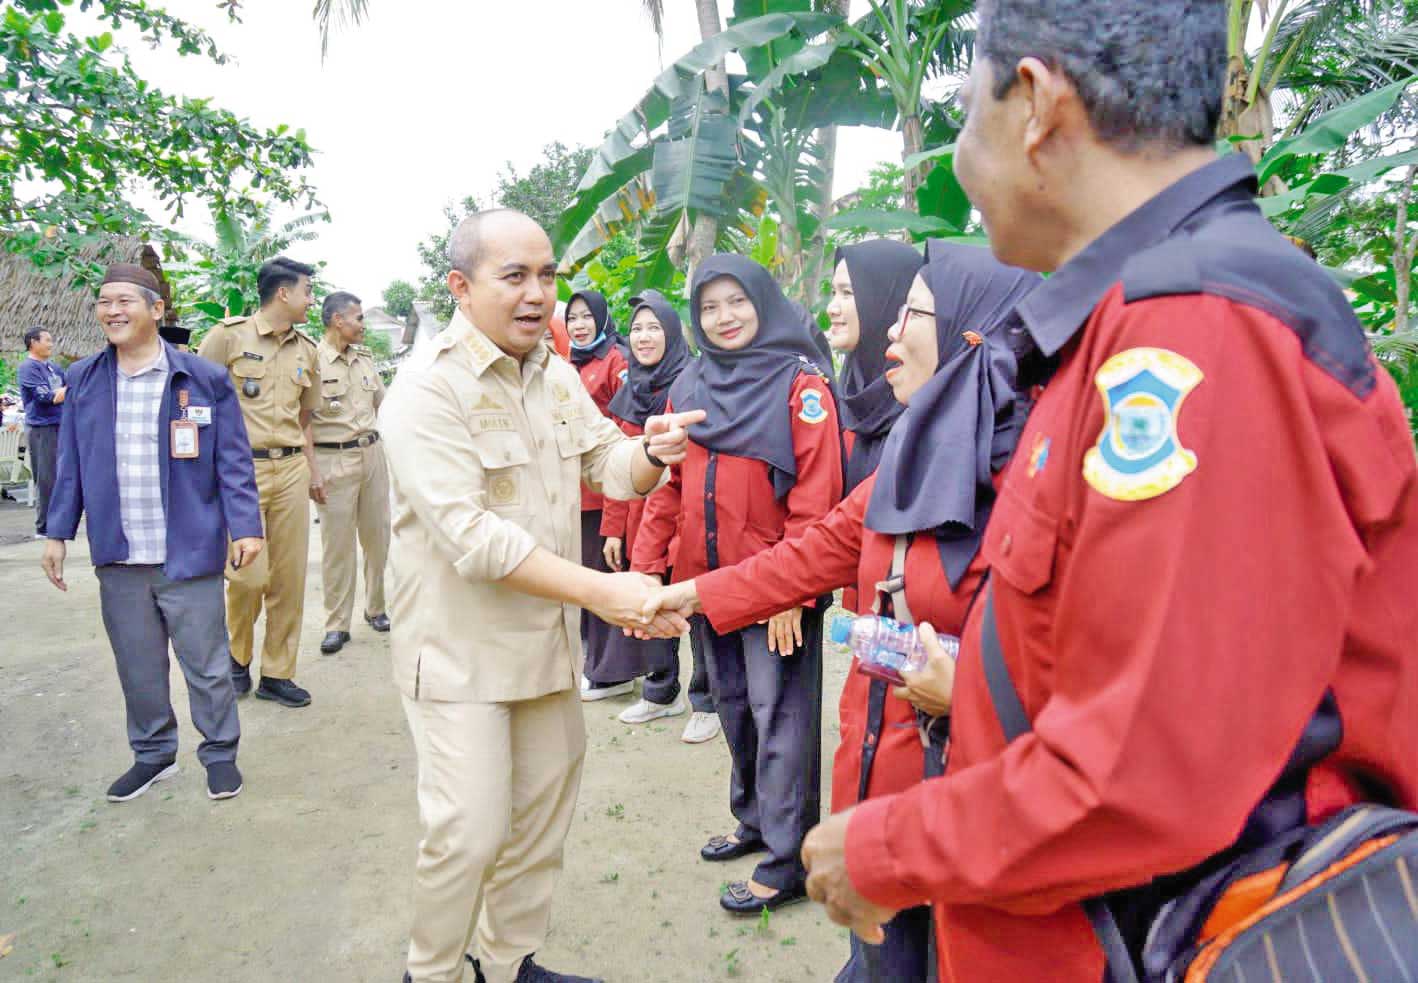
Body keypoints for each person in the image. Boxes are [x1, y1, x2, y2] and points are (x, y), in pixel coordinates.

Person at [795, 2, 1418, 980]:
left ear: (1036, 106)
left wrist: (886, 845)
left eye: (965, 111)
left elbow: (1150, 765)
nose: (959, 157)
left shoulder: (1195, 335)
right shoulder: (1123, 329)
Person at [647, 243, 1039, 980]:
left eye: (911, 314)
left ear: (971, 332)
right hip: (878, 786)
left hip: (968, 816)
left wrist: (971, 692)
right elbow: (817, 550)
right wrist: (690, 593)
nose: (890, 332)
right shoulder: (910, 455)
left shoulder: (1037, 480)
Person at [379, 208, 703, 983]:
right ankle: (432, 973)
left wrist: (651, 453)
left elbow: (605, 464)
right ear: (461, 287)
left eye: (547, 274)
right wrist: (605, 593)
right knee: (468, 829)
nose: (537, 294)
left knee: (539, 820)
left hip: (544, 646)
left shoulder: (553, 373)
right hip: (459, 652)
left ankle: (506, 959)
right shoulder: (426, 390)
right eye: (514, 275)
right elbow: (475, 539)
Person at [634, 254, 844, 915]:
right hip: (707, 585)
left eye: (737, 302)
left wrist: (795, 591)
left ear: (763, 301)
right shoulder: (690, 380)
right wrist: (648, 566)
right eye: (710, 307)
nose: (724, 318)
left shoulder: (799, 383)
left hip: (775, 585)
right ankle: (754, 820)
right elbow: (668, 486)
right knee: (731, 705)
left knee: (780, 714)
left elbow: (818, 490)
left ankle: (789, 857)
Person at [40, 264, 264, 803]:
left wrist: (244, 526)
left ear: (156, 310)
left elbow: (232, 460)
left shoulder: (201, 378)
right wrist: (57, 533)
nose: (112, 311)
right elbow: (70, 463)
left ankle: (219, 755)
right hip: (119, 553)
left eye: (124, 301)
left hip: (186, 550)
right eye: (103, 302)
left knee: (207, 667)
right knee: (139, 669)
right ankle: (153, 755)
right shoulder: (86, 379)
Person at [198, 256, 324, 709]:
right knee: (248, 577)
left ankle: (278, 672)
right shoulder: (227, 337)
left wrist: (311, 469)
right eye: (308, 291)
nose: (312, 300)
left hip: (290, 468)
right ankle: (237, 656)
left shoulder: (308, 350)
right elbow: (195, 403)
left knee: (288, 579)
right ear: (283, 293)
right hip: (239, 472)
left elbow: (305, 415)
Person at [598, 291, 716, 738]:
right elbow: (616, 461)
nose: (644, 337)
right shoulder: (630, 390)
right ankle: (662, 690)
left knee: (696, 609)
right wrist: (613, 529)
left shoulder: (693, 383)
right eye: (637, 329)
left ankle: (707, 700)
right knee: (650, 604)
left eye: (654, 328)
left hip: (684, 518)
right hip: (640, 520)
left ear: (672, 332)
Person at [827, 239, 923, 614]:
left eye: (848, 293)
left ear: (885, 297)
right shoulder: (852, 387)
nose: (832, 308)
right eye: (833, 292)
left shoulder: (917, 396)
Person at [310, 291, 391, 655]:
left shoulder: (364, 359)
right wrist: (313, 472)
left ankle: (376, 608)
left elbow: (383, 405)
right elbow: (303, 423)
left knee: (378, 540)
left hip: (372, 455)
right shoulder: (312, 361)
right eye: (358, 318)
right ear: (337, 320)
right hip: (334, 461)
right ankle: (336, 624)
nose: (362, 324)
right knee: (337, 547)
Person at [564, 289, 635, 703]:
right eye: (573, 318)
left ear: (602, 319)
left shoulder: (614, 361)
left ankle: (614, 673)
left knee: (604, 581)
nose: (579, 324)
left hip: (604, 493)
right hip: (575, 493)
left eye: (587, 317)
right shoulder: (569, 364)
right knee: (584, 582)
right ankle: (597, 664)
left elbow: (622, 425)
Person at [18, 326, 67, 538]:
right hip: (41, 427)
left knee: (61, 475)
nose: (51, 343)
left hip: (60, 424)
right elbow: (46, 397)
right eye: (47, 340)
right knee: (46, 477)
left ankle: (59, 522)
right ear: (33, 343)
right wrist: (72, 388)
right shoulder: (28, 368)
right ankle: (44, 527)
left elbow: (66, 388)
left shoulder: (53, 368)